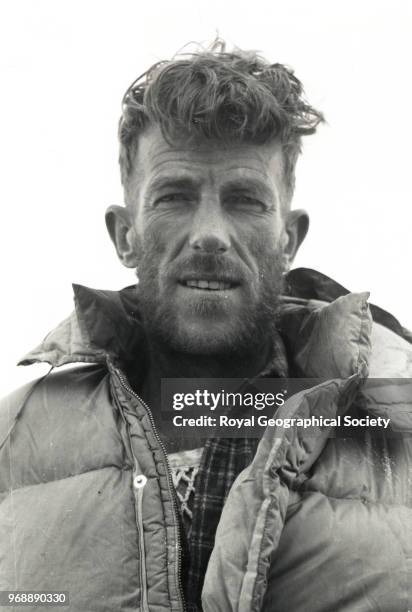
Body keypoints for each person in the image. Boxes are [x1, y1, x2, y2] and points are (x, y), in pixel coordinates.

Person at [1, 41, 411, 612]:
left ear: (288, 239)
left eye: (245, 200)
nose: (210, 233)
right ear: (125, 234)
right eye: (175, 196)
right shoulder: (12, 440)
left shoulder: (397, 433)